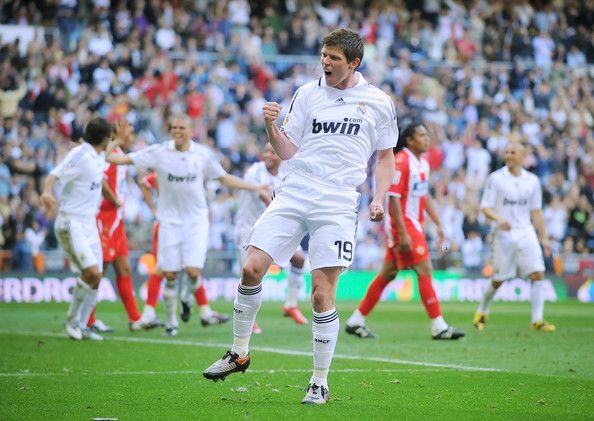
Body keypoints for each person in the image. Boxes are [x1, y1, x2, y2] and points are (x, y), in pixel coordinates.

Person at [203, 28, 398, 405]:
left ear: (354, 63)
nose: (325, 62)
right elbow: (287, 151)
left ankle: (319, 381)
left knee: (321, 295)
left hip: (338, 201)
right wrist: (270, 127)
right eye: (324, 55)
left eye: (334, 58)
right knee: (251, 268)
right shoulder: (307, 94)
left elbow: (386, 156)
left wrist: (379, 198)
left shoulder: (377, 102)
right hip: (295, 190)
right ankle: (239, 352)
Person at [106, 116, 268, 337]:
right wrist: (116, 140)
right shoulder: (159, 152)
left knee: (193, 271)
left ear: (191, 131)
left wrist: (255, 188)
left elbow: (224, 178)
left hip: (196, 222)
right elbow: (112, 158)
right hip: (169, 222)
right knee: (170, 274)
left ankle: (187, 298)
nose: (177, 131)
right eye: (173, 127)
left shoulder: (202, 154)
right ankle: (172, 322)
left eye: (182, 127)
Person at [345, 123, 466, 340]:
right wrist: (402, 233)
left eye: (427, 135)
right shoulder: (401, 162)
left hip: (413, 224)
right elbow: (393, 200)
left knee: (387, 274)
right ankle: (439, 326)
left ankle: (355, 320)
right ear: (410, 140)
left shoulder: (423, 163)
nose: (427, 139)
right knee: (425, 268)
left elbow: (424, 195)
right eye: (422, 135)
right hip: (402, 225)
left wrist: (438, 224)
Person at [40, 117, 115, 341]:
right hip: (71, 222)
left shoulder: (97, 155)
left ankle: (83, 326)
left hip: (89, 224)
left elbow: (105, 152)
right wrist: (47, 192)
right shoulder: (80, 155)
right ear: (105, 138)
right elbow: (54, 174)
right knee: (91, 272)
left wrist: (118, 140)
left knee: (97, 276)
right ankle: (71, 322)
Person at [474, 141, 555, 332]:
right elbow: (485, 207)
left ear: (523, 156)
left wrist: (544, 238)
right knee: (498, 279)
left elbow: (536, 211)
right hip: (503, 235)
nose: (508, 156)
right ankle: (482, 311)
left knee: (538, 273)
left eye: (513, 152)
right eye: (507, 152)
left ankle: (537, 319)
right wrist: (499, 219)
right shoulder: (496, 179)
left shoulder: (532, 181)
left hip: (526, 232)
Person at [86, 119, 155, 333]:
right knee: (99, 270)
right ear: (117, 132)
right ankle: (87, 319)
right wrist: (113, 198)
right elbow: (99, 177)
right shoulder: (108, 154)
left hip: (117, 222)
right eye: (129, 131)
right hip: (104, 219)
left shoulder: (120, 154)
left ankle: (135, 318)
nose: (132, 136)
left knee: (124, 268)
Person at [137, 171, 230, 328]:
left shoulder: (192, 169)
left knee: (193, 269)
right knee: (163, 269)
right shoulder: (166, 169)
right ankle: (154, 314)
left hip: (189, 227)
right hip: (168, 226)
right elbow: (144, 182)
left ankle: (201, 309)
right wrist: (153, 209)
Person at [234, 143, 308, 329]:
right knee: (249, 274)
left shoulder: (285, 172)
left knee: (299, 259)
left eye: (273, 152)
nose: (268, 155)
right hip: (250, 229)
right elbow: (266, 198)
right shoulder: (255, 171)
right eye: (266, 151)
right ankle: (248, 319)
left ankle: (291, 305)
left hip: (275, 227)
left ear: (281, 155)